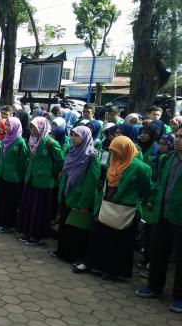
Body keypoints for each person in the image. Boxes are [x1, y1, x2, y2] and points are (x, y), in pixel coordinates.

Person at [73, 136, 151, 278]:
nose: (114, 155)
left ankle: (112, 271)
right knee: (99, 236)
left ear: (125, 150)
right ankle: (93, 264)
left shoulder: (140, 167)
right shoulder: (112, 162)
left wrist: (133, 199)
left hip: (125, 210)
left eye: (117, 152)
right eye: (112, 151)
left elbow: (146, 190)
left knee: (118, 242)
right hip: (107, 204)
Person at [135, 126, 182, 313]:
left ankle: (179, 296)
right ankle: (154, 286)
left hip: (179, 217)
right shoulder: (168, 159)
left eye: (181, 137)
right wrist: (152, 200)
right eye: (177, 136)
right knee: (158, 251)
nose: (177, 140)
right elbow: (160, 183)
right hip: (162, 213)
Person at [54, 126, 100, 263]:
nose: (73, 138)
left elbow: (92, 182)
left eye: (76, 136)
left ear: (85, 137)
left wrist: (84, 201)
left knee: (76, 228)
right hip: (66, 192)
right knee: (64, 224)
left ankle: (72, 255)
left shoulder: (92, 155)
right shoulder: (71, 150)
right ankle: (61, 251)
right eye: (72, 135)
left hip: (79, 196)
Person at [17, 117, 65, 245]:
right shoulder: (32, 140)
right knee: (29, 207)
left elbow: (59, 162)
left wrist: (50, 174)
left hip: (43, 182)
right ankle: (28, 232)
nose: (31, 130)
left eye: (34, 127)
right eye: (31, 127)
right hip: (31, 179)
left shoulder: (50, 143)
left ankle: (37, 236)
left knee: (39, 210)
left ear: (42, 128)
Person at [0, 117, 29, 233]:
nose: (6, 127)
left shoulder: (20, 142)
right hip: (1, 174)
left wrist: (19, 177)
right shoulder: (6, 138)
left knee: (8, 202)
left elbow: (22, 163)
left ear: (15, 126)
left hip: (12, 177)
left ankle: (6, 224)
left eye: (9, 125)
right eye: (5, 124)